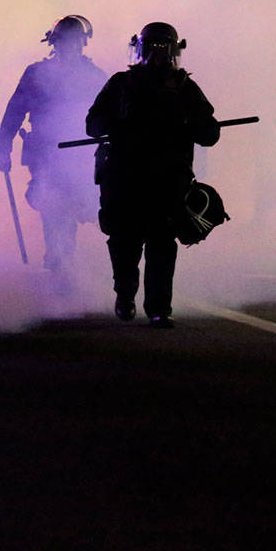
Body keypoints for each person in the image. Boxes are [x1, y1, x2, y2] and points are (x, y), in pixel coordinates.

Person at [86, 22, 219, 328]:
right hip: (124, 179)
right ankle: (125, 294)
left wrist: (191, 124)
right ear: (140, 50)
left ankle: (159, 307)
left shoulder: (185, 88)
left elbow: (210, 132)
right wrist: (116, 125)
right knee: (124, 242)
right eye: (150, 50)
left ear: (173, 52)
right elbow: (92, 124)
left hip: (168, 180)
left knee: (162, 244)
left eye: (163, 50)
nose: (156, 57)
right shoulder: (120, 84)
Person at [0, 15, 108, 283]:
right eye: (65, 42)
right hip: (46, 154)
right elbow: (14, 111)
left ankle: (64, 259)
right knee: (52, 204)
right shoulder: (36, 74)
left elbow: (110, 115)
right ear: (55, 42)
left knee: (78, 205)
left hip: (82, 155)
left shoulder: (95, 77)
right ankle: (58, 260)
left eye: (75, 42)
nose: (71, 48)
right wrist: (3, 146)